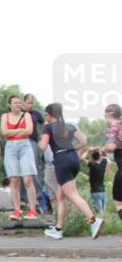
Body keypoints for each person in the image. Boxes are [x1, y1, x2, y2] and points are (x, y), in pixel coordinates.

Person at [39, 103, 103, 240]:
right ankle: (58, 229)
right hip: (73, 159)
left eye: (45, 114)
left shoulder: (48, 127)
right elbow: (83, 141)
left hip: (61, 161)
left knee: (72, 195)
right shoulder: (69, 125)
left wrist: (41, 137)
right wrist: (72, 149)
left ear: (49, 114)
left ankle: (93, 220)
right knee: (61, 196)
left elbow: (43, 146)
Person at [0, 96, 39, 219]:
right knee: (14, 180)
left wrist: (12, 131)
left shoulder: (26, 115)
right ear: (9, 104)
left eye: (19, 103)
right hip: (11, 147)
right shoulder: (5, 116)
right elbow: (4, 132)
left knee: (28, 179)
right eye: (15, 103)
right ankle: (17, 210)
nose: (18, 105)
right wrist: (21, 130)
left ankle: (33, 210)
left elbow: (29, 131)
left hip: (25, 146)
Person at [23, 94, 48, 213]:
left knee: (34, 169)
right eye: (28, 103)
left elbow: (45, 124)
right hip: (20, 141)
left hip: (32, 141)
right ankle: (24, 199)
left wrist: (43, 137)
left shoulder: (36, 114)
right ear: (24, 103)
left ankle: (39, 197)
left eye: (32, 103)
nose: (30, 105)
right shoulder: (20, 113)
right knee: (22, 171)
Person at [100, 103, 122, 244]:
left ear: (109, 115)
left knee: (119, 203)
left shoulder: (114, 128)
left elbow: (111, 147)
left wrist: (103, 149)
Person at [84, 149, 108, 214]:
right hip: (103, 192)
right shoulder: (103, 164)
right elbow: (105, 155)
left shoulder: (92, 165)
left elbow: (82, 158)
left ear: (92, 158)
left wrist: (88, 150)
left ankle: (97, 220)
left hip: (95, 192)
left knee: (99, 213)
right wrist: (100, 149)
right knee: (104, 212)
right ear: (99, 157)